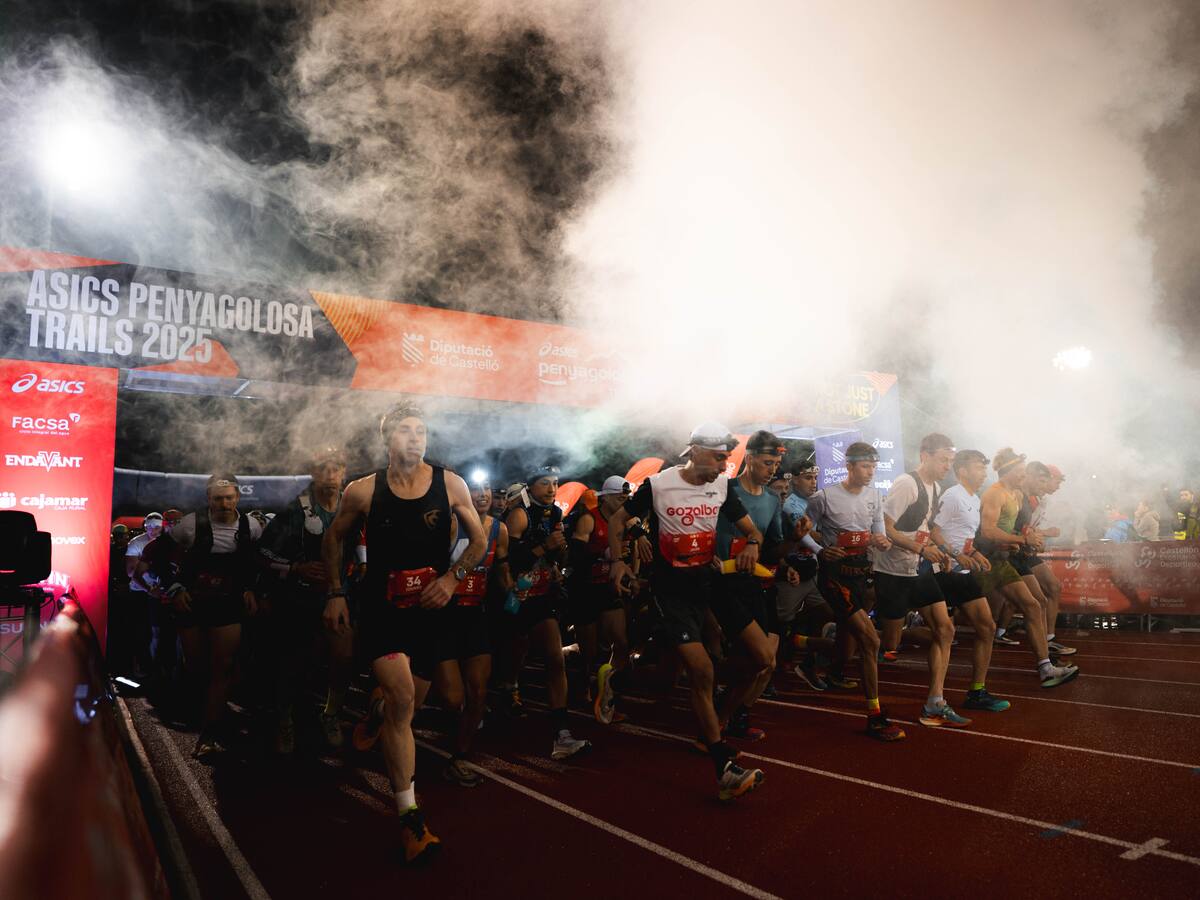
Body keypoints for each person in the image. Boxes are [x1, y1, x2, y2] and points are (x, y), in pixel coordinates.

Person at [321, 403, 486, 864]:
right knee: (404, 699)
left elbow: (478, 541)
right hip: (382, 611)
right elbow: (333, 537)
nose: (416, 438)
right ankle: (410, 819)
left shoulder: (450, 484)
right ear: (387, 438)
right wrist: (335, 592)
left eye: (421, 431)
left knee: (409, 705)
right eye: (406, 431)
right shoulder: (362, 490)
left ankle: (375, 714)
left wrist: (452, 579)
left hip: (430, 611)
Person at [608, 423, 768, 801]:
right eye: (718, 458)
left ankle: (620, 682)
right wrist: (619, 561)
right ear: (694, 451)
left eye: (727, 459)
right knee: (701, 671)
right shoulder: (659, 485)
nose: (724, 466)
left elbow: (753, 531)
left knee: (763, 658)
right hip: (672, 590)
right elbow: (616, 518)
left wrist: (752, 545)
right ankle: (722, 765)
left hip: (710, 583)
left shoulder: (722, 486)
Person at [805, 441, 905, 740]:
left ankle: (808, 655)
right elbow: (801, 531)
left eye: (873, 466)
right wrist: (821, 550)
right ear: (848, 466)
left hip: (862, 574)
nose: (871, 472)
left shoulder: (874, 495)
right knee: (871, 640)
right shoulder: (823, 497)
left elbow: (879, 534)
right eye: (865, 466)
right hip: (835, 577)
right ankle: (874, 716)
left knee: (849, 638)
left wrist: (882, 541)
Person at [258, 445, 355, 754]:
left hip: (339, 596)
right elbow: (262, 554)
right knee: (293, 662)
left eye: (335, 469)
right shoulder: (295, 510)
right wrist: (295, 568)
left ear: (344, 473)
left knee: (343, 657)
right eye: (323, 469)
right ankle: (284, 719)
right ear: (313, 474)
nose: (330, 475)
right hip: (299, 597)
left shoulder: (353, 506)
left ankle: (331, 714)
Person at [162, 475, 263, 757]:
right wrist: (175, 588)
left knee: (222, 667)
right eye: (218, 499)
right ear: (208, 499)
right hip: (193, 604)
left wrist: (252, 589)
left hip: (227, 605)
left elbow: (260, 562)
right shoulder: (190, 524)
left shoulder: (251, 526)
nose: (224, 504)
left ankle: (210, 732)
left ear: (238, 497)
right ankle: (200, 708)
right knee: (197, 668)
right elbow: (159, 555)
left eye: (229, 498)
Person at [874, 433, 970, 728]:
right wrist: (921, 549)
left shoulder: (936, 487)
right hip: (893, 571)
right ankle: (840, 639)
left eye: (950, 461)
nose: (947, 466)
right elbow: (886, 527)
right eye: (943, 460)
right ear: (924, 456)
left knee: (945, 629)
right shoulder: (906, 483)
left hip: (919, 569)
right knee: (889, 644)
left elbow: (923, 527)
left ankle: (934, 703)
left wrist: (941, 552)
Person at [712, 430, 797, 740]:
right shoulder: (723, 490)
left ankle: (729, 714)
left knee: (765, 662)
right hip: (714, 583)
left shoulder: (773, 500)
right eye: (766, 463)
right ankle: (715, 714)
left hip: (749, 584)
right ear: (748, 459)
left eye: (776, 464)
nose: (772, 470)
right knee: (719, 658)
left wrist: (793, 542)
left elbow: (771, 549)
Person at [429, 468, 510, 786]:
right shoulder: (452, 524)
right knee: (452, 698)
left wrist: (516, 590)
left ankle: (459, 756)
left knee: (478, 692)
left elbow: (502, 572)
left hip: (476, 615)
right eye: (475, 489)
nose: (483, 494)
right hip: (444, 616)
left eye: (487, 487)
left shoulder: (499, 530)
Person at [975, 449, 1079, 688]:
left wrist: (1027, 539)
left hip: (1000, 559)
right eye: (1020, 472)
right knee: (981, 621)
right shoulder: (994, 493)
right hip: (985, 559)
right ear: (1008, 471)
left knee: (1031, 605)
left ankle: (1046, 666)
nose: (1023, 476)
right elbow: (988, 531)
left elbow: (1014, 531)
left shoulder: (1016, 495)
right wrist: (1023, 540)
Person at [929, 449, 1010, 712]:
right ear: (962, 471)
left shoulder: (974, 499)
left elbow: (963, 536)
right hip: (942, 571)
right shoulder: (952, 495)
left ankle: (977, 691)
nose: (984, 472)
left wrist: (973, 553)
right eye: (979, 467)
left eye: (985, 467)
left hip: (962, 572)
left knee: (986, 627)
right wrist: (955, 554)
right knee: (941, 632)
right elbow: (934, 532)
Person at [566, 475, 638, 725]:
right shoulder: (589, 519)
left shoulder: (626, 521)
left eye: (627, 497)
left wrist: (632, 575)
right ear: (605, 498)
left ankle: (607, 692)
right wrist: (604, 553)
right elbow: (574, 557)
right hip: (585, 590)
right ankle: (582, 685)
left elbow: (629, 553)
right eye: (620, 497)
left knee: (621, 642)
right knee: (590, 651)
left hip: (608, 589)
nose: (624, 501)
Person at [775, 456, 836, 691]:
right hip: (792, 574)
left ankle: (806, 663)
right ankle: (772, 672)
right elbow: (805, 536)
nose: (813, 482)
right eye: (808, 478)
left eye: (815, 478)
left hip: (810, 574)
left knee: (826, 616)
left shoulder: (814, 501)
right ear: (794, 481)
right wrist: (825, 546)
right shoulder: (791, 505)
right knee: (779, 626)